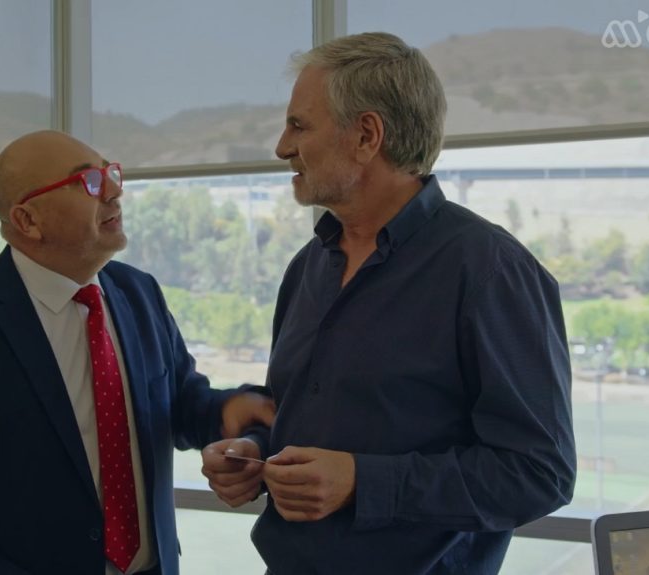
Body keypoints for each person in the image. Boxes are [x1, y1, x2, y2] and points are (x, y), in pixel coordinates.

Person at [202, 32, 576, 574]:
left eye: (299, 126)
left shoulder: (491, 271)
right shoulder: (307, 267)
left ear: (366, 135)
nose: (282, 147)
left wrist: (364, 482)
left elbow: (540, 474)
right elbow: (309, 418)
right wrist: (258, 453)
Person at [0, 130, 275, 575]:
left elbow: (178, 403)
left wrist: (226, 413)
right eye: (89, 182)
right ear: (27, 220)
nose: (114, 191)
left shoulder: (139, 293)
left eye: (110, 173)